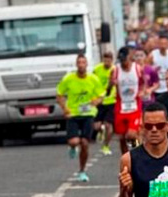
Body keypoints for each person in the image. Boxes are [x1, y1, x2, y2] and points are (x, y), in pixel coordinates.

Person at [56, 54, 104, 182]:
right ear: (76, 65)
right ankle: (72, 147)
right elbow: (59, 95)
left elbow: (101, 95)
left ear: (87, 64)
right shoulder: (69, 79)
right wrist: (64, 108)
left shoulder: (93, 79)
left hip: (88, 114)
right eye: (79, 62)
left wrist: (96, 102)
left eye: (84, 62)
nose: (81, 65)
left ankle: (82, 171)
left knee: (84, 143)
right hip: (73, 114)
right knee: (74, 141)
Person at [109, 46, 145, 154]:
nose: (125, 63)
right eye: (122, 61)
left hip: (134, 106)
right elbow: (108, 88)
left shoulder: (138, 68)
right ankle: (126, 158)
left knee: (131, 134)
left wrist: (143, 91)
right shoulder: (115, 70)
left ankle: (137, 155)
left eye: (126, 60)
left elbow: (143, 82)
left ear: (130, 57)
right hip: (121, 107)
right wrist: (111, 84)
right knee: (122, 138)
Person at [92, 52, 116, 156]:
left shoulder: (115, 70)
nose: (107, 62)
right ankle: (100, 131)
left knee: (109, 126)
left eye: (109, 60)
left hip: (111, 101)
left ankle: (106, 146)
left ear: (112, 60)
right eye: (105, 60)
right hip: (99, 101)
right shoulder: (97, 69)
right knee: (96, 126)